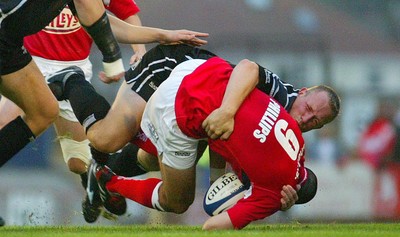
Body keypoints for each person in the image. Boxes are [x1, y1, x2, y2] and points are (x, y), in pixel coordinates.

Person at [47, 44, 340, 221]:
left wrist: (280, 199)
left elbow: (228, 142)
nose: (306, 118)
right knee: (106, 138)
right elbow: (247, 71)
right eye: (309, 108)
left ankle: (99, 180)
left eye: (315, 122)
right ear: (303, 91)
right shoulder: (277, 95)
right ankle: (72, 80)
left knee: (151, 161)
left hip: (197, 106)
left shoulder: (290, 136)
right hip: (176, 68)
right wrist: (219, 178)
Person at [0, 0, 208, 168]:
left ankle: (92, 181)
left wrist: (160, 36)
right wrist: (112, 60)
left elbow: (109, 19)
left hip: (16, 50)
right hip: (27, 55)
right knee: (6, 122)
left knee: (63, 139)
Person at [0, 0, 146, 223]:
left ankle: (94, 184)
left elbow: (125, 11)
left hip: (73, 70)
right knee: (3, 125)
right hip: (30, 64)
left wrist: (140, 51)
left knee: (78, 161)